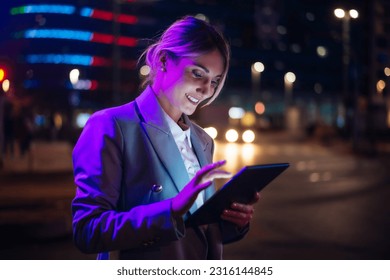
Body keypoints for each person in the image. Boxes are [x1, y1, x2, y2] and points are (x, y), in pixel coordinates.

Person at [71, 15, 260, 260]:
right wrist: (170, 210)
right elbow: (88, 230)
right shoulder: (111, 126)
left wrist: (233, 220)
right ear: (163, 60)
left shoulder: (202, 140)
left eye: (214, 81)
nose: (206, 90)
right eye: (197, 73)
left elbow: (198, 234)